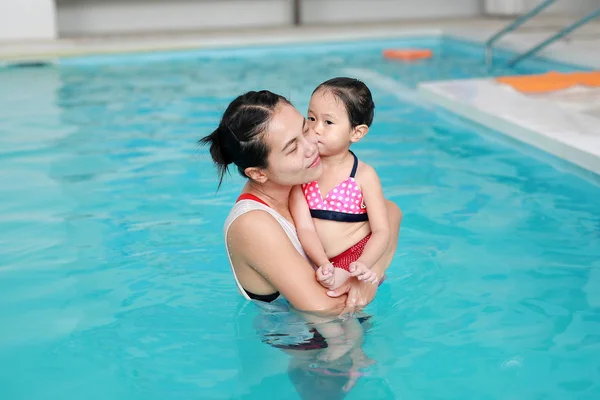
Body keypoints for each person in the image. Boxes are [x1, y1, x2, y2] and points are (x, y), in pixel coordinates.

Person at [198, 89, 402, 366]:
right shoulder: (254, 223)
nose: (311, 145)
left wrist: (369, 272)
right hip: (307, 357)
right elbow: (327, 308)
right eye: (293, 147)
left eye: (306, 129)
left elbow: (391, 212)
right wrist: (366, 283)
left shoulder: (301, 185)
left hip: (346, 331)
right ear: (259, 173)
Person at [291, 77, 387, 292]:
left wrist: (364, 263)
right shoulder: (302, 172)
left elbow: (381, 230)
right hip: (316, 257)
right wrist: (322, 262)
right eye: (311, 118)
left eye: (328, 122)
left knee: (340, 313)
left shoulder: (364, 175)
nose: (315, 129)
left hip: (355, 256)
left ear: (356, 132)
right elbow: (304, 227)